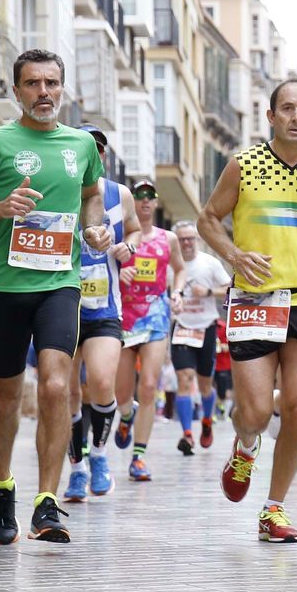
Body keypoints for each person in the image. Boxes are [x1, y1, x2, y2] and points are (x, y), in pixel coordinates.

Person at [0, 49, 112, 545]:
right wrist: (1, 208)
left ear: (63, 88)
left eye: (52, 83)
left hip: (59, 284)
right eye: (33, 84)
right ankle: (3, 486)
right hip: (3, 285)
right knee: (4, 394)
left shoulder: (81, 144)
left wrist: (94, 230)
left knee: (55, 385)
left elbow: (91, 195)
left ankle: (47, 499)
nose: (44, 92)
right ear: (17, 91)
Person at [200, 77, 297, 543]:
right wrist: (234, 255)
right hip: (255, 299)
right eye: (288, 109)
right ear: (271, 116)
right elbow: (208, 220)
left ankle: (274, 508)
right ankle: (245, 445)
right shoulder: (242, 166)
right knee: (257, 410)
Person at [65, 127, 137, 502]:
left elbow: (136, 232)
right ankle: (76, 469)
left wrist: (126, 247)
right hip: (61, 304)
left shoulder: (119, 194)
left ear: (103, 157)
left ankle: (100, 456)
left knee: (102, 383)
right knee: (67, 392)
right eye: (85, 147)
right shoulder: (57, 188)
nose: (93, 153)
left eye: (98, 149)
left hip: (105, 307)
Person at [111, 179, 182, 480]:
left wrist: (176, 292)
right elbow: (102, 265)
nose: (144, 201)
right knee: (121, 391)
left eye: (149, 196)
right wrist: (119, 271)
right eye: (139, 196)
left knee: (150, 385)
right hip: (123, 315)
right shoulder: (120, 234)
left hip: (154, 314)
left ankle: (138, 456)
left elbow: (179, 269)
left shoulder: (168, 239)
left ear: (155, 202)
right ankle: (127, 414)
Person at [171, 220, 232, 454]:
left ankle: (207, 420)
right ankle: (187, 434)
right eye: (182, 239)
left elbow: (230, 287)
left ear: (196, 240)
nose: (186, 243)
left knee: (205, 384)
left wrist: (207, 292)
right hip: (181, 327)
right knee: (184, 379)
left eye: (190, 238)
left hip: (206, 327)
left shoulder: (210, 263)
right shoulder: (171, 265)